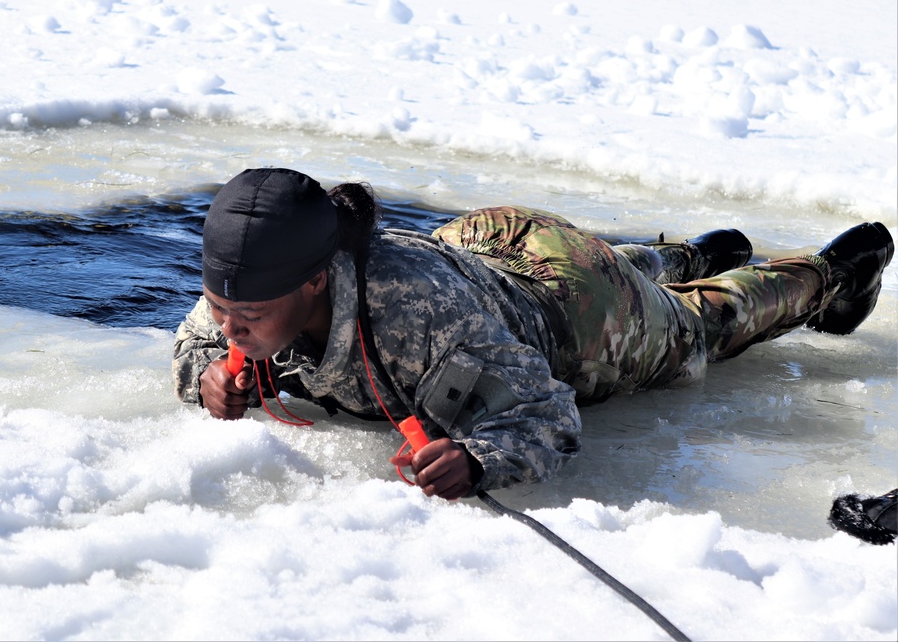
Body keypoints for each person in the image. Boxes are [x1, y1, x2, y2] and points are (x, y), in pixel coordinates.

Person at [173, 168, 894, 501]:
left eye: (248, 320)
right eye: (222, 310)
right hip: (486, 243)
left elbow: (548, 412)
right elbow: (195, 339)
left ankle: (828, 273)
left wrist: (480, 460)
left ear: (314, 282)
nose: (230, 328)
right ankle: (688, 251)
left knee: (695, 326)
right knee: (631, 270)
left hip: (571, 305)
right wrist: (205, 372)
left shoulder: (419, 321)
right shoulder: (250, 283)